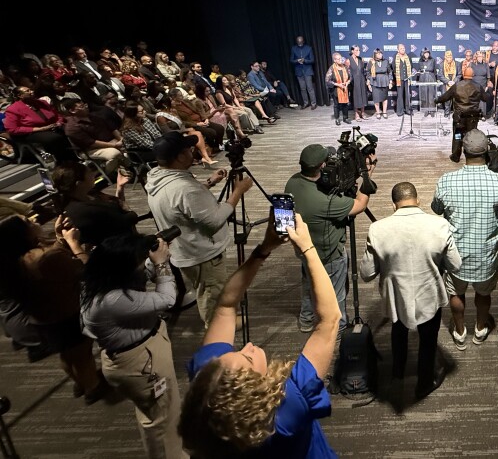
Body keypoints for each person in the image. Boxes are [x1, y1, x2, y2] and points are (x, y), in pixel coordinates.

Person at [179, 215, 340, 457]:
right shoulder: (287, 410)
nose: (249, 346)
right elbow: (329, 321)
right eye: (249, 358)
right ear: (257, 395)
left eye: (238, 352)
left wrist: (264, 249)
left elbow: (225, 306)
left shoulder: (209, 387)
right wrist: (307, 247)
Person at [80, 233, 184, 458]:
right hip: (142, 362)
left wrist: (150, 261)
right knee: (163, 417)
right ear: (122, 269)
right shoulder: (111, 299)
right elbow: (167, 299)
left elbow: (139, 278)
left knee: (156, 412)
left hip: (136, 358)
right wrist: (162, 264)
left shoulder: (98, 283)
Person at [359, 182, 461, 399]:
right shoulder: (440, 224)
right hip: (429, 294)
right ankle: (424, 383)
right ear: (418, 201)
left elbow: (366, 273)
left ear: (394, 205)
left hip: (396, 297)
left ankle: (397, 375)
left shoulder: (377, 229)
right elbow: (456, 265)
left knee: (399, 333)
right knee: (428, 339)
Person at [145, 131, 253, 327]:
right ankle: (216, 327)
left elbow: (179, 203)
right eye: (188, 149)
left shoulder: (156, 176)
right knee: (211, 292)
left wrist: (209, 183)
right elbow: (215, 220)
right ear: (179, 156)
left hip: (184, 248)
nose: (192, 151)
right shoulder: (185, 189)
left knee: (205, 288)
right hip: (202, 254)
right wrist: (238, 191)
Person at [0, 213, 108, 404]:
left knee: (66, 356)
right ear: (21, 235)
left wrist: (59, 239)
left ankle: (79, 382)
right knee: (82, 356)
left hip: (43, 320)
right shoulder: (45, 258)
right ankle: (93, 387)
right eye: (27, 222)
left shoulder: (15, 261)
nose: (34, 220)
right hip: (67, 314)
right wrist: (74, 244)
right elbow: (86, 270)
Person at [431, 129, 498, 350]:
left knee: (456, 292)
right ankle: (480, 329)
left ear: (462, 151)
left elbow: (436, 209)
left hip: (455, 254)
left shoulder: (446, 180)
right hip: (487, 254)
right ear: (487, 151)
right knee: (483, 293)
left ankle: (460, 333)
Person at [284, 143, 375, 333]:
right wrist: (367, 174)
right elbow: (359, 205)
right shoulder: (325, 201)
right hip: (329, 255)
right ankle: (339, 328)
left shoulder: (292, 181)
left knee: (309, 284)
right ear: (321, 167)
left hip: (304, 248)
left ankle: (306, 320)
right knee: (336, 293)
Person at [52, 160, 138, 246]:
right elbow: (127, 218)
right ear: (79, 183)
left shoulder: (90, 193)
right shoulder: (84, 210)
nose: (93, 174)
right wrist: (128, 211)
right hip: (119, 248)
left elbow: (116, 208)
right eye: (89, 173)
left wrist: (120, 187)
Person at [3, 84, 75, 161]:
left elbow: (57, 115)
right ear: (20, 95)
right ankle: (63, 161)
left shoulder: (42, 102)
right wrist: (41, 129)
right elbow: (13, 129)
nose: (32, 91)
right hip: (32, 133)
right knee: (54, 138)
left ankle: (77, 156)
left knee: (72, 128)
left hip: (51, 126)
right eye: (28, 91)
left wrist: (59, 122)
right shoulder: (13, 109)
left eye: (30, 89)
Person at [434, 66, 492, 162]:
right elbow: (486, 98)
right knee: (471, 136)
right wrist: (489, 90)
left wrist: (436, 100)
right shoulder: (478, 86)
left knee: (457, 135)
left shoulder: (457, 86)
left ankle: (456, 156)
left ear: (464, 75)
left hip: (459, 118)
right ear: (473, 75)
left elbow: (445, 97)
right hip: (473, 117)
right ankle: (471, 154)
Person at [290, 35, 318, 109]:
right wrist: (297, 61)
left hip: (307, 71)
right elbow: (291, 60)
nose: (299, 43)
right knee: (302, 88)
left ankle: (313, 103)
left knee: (310, 88)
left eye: (301, 42)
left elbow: (312, 60)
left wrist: (304, 60)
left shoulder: (308, 48)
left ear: (303, 41)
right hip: (299, 71)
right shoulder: (293, 49)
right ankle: (305, 103)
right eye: (298, 42)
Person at [325, 52, 351, 126]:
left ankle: (345, 118)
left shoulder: (345, 67)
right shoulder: (332, 69)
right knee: (337, 105)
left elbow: (350, 77)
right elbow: (327, 80)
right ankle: (337, 119)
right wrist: (338, 84)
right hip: (336, 89)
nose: (340, 60)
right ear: (335, 60)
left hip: (345, 89)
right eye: (338, 59)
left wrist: (347, 83)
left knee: (345, 104)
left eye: (341, 58)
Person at [346, 46, 369, 120]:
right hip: (354, 81)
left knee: (363, 96)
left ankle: (362, 112)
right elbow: (346, 73)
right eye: (356, 50)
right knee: (356, 97)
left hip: (362, 80)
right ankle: (356, 114)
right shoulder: (348, 61)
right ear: (352, 51)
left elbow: (364, 71)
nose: (359, 51)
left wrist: (366, 80)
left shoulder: (361, 59)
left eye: (359, 50)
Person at [368, 48, 392, 119]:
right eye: (378, 53)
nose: (380, 54)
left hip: (384, 80)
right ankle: (378, 112)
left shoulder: (386, 61)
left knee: (384, 97)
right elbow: (368, 72)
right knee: (376, 98)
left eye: (381, 53)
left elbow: (389, 72)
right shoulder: (371, 62)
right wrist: (369, 82)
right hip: (375, 81)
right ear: (375, 54)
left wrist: (390, 81)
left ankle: (384, 112)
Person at [436, 50, 460, 117]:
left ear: (452, 57)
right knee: (447, 98)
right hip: (446, 83)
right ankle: (447, 112)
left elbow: (459, 74)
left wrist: (454, 81)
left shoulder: (457, 64)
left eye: (450, 56)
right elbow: (440, 75)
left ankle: (456, 112)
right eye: (447, 57)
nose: (449, 58)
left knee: (456, 98)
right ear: (445, 57)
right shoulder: (441, 65)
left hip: (454, 82)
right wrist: (447, 81)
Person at [415, 48, 438, 116]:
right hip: (423, 78)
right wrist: (417, 79)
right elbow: (419, 71)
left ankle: (432, 109)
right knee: (424, 94)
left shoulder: (433, 60)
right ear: (423, 54)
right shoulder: (420, 61)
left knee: (431, 94)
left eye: (428, 53)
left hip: (431, 77)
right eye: (425, 53)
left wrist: (436, 79)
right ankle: (426, 110)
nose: (426, 54)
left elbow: (434, 70)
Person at [393, 43, 413, 116]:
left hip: (407, 79)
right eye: (401, 48)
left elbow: (411, 66)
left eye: (404, 48)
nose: (403, 49)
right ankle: (400, 111)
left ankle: (407, 110)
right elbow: (394, 68)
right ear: (398, 50)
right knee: (400, 95)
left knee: (407, 95)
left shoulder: (407, 57)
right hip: (399, 79)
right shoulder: (395, 58)